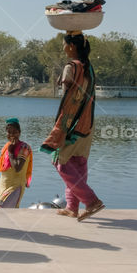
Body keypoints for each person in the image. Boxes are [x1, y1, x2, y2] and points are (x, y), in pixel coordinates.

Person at [41, 32, 105, 221]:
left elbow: (68, 94)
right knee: (78, 162)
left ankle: (91, 201)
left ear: (71, 46)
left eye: (64, 44)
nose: (63, 48)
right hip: (87, 122)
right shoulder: (89, 67)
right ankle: (72, 207)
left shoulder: (71, 67)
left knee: (60, 161)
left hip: (71, 124)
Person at [0, 117, 32, 208]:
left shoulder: (24, 147)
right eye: (9, 132)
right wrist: (9, 149)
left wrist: (11, 152)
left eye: (14, 132)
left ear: (19, 133)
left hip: (16, 187)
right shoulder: (6, 146)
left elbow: (18, 168)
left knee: (2, 210)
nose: (12, 135)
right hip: (4, 186)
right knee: (5, 213)